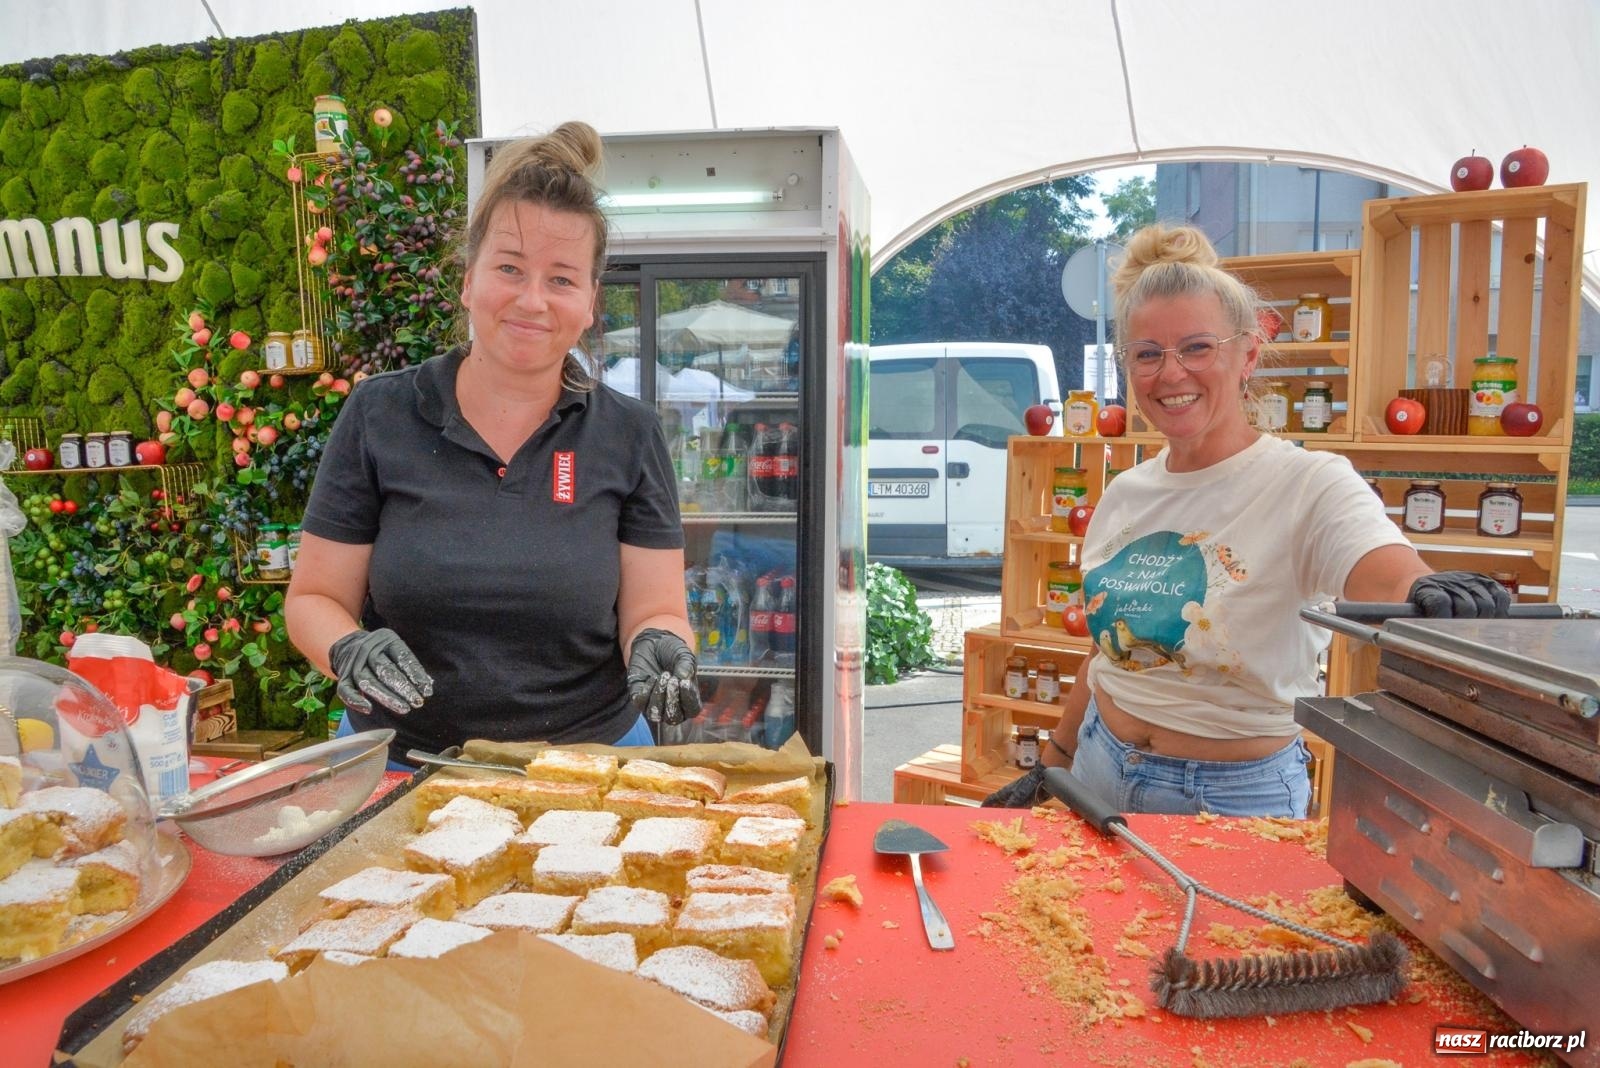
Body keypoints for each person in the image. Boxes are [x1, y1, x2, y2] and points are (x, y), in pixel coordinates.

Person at [984, 224, 1509, 817]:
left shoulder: (1308, 483)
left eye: (1198, 347)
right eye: (1148, 354)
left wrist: (1421, 590)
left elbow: (1381, 569)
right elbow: (1109, 657)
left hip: (1234, 797)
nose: (1171, 373)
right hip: (1098, 764)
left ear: (1248, 354)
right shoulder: (1126, 493)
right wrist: (1054, 761)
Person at [285, 121, 700, 766]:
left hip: (589, 762)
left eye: (562, 279)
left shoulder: (628, 433)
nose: (532, 300)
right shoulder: (380, 413)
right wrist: (346, 647)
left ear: (591, 302)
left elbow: (657, 609)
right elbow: (314, 599)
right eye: (510, 268)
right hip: (401, 761)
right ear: (469, 281)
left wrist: (663, 644)